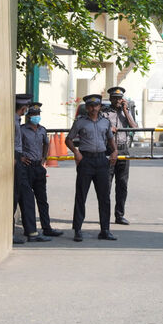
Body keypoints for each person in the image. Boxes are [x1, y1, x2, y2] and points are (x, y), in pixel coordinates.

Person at [67, 93, 118, 242]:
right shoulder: (80, 122)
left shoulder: (105, 122)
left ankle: (105, 230)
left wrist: (114, 151)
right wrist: (76, 152)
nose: (93, 108)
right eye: (90, 106)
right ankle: (77, 230)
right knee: (81, 196)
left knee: (104, 197)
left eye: (96, 105)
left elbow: (110, 138)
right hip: (86, 161)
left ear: (100, 107)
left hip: (102, 161)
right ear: (87, 108)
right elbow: (68, 139)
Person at [21, 103, 63, 238]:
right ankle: (30, 230)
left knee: (42, 200)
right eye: (33, 115)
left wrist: (44, 158)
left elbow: (46, 143)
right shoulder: (22, 130)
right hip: (26, 167)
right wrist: (21, 157)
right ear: (28, 116)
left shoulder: (42, 130)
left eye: (38, 115)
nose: (36, 117)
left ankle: (47, 227)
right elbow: (15, 145)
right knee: (27, 201)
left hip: (38, 167)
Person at [13, 93, 49, 244]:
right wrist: (18, 157)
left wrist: (44, 159)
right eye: (28, 109)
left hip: (30, 165)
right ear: (24, 108)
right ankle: (15, 233)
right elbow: (12, 144)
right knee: (15, 199)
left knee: (29, 198)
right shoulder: (17, 124)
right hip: (19, 164)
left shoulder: (19, 121)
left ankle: (32, 232)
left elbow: (46, 144)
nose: (31, 113)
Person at [103, 86, 137, 226]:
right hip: (109, 150)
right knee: (107, 185)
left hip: (123, 150)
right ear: (110, 99)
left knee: (122, 185)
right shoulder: (104, 113)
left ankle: (119, 215)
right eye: (115, 98)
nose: (117, 100)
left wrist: (125, 110)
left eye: (119, 98)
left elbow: (134, 127)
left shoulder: (126, 112)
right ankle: (105, 216)